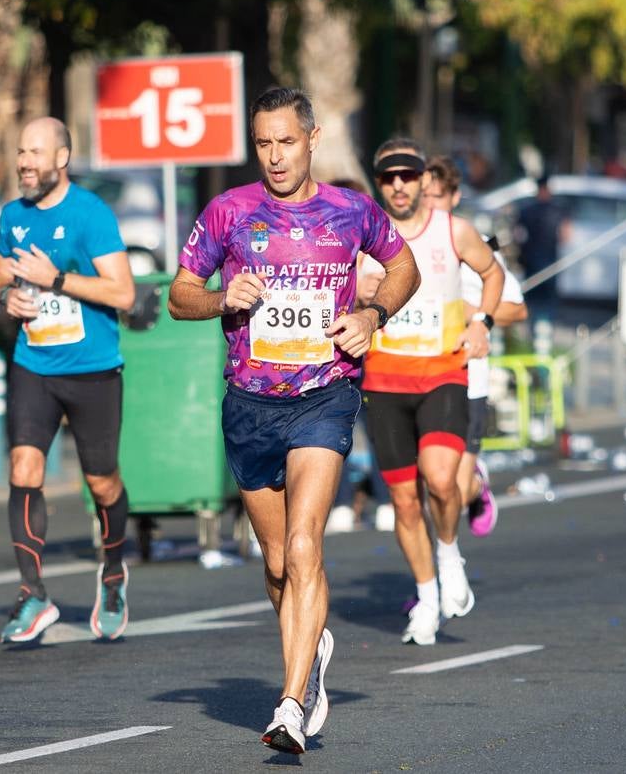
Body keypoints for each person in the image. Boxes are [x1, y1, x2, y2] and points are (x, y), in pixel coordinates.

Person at [169, 87, 419, 755]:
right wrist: (224, 297)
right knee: (278, 562)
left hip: (325, 395)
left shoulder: (351, 211)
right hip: (250, 404)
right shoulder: (229, 212)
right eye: (263, 144)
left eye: (286, 141)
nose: (275, 157)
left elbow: (404, 267)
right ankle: (311, 646)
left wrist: (372, 316)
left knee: (306, 546)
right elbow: (179, 295)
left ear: (311, 139)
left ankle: (291, 704)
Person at [0, 116, 136, 644]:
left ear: (62, 159)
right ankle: (33, 595)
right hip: (35, 364)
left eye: (34, 153)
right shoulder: (13, 215)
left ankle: (114, 569)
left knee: (102, 481)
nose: (25, 162)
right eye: (21, 152)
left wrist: (57, 280)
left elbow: (124, 293)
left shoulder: (90, 215)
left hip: (93, 370)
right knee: (24, 468)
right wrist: (8, 296)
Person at [360, 138, 504, 647]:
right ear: (378, 183)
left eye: (408, 175)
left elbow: (492, 272)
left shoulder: (453, 230)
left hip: (443, 372)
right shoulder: (360, 235)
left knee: (441, 480)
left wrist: (482, 322)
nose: (399, 185)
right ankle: (425, 596)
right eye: (388, 177)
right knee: (402, 501)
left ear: (424, 179)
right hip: (384, 380)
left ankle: (447, 550)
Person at [422, 156, 528, 537]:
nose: (429, 204)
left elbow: (517, 310)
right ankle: (437, 583)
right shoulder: (405, 247)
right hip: (419, 376)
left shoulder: (477, 247)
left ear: (454, 197)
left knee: (456, 488)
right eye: (423, 196)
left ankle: (477, 486)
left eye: (437, 196)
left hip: (470, 378)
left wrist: (470, 312)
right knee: (434, 485)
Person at [319, 177, 393, 536]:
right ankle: (344, 502)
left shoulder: (376, 254)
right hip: (331, 358)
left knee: (376, 431)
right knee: (336, 433)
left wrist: (365, 300)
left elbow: (379, 296)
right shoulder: (324, 245)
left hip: (374, 359)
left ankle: (385, 500)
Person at [514, 176, 568, 320]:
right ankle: (544, 329)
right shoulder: (558, 210)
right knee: (546, 301)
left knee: (533, 299)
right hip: (548, 259)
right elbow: (566, 235)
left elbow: (518, 235)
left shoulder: (526, 210)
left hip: (532, 259)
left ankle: (534, 328)